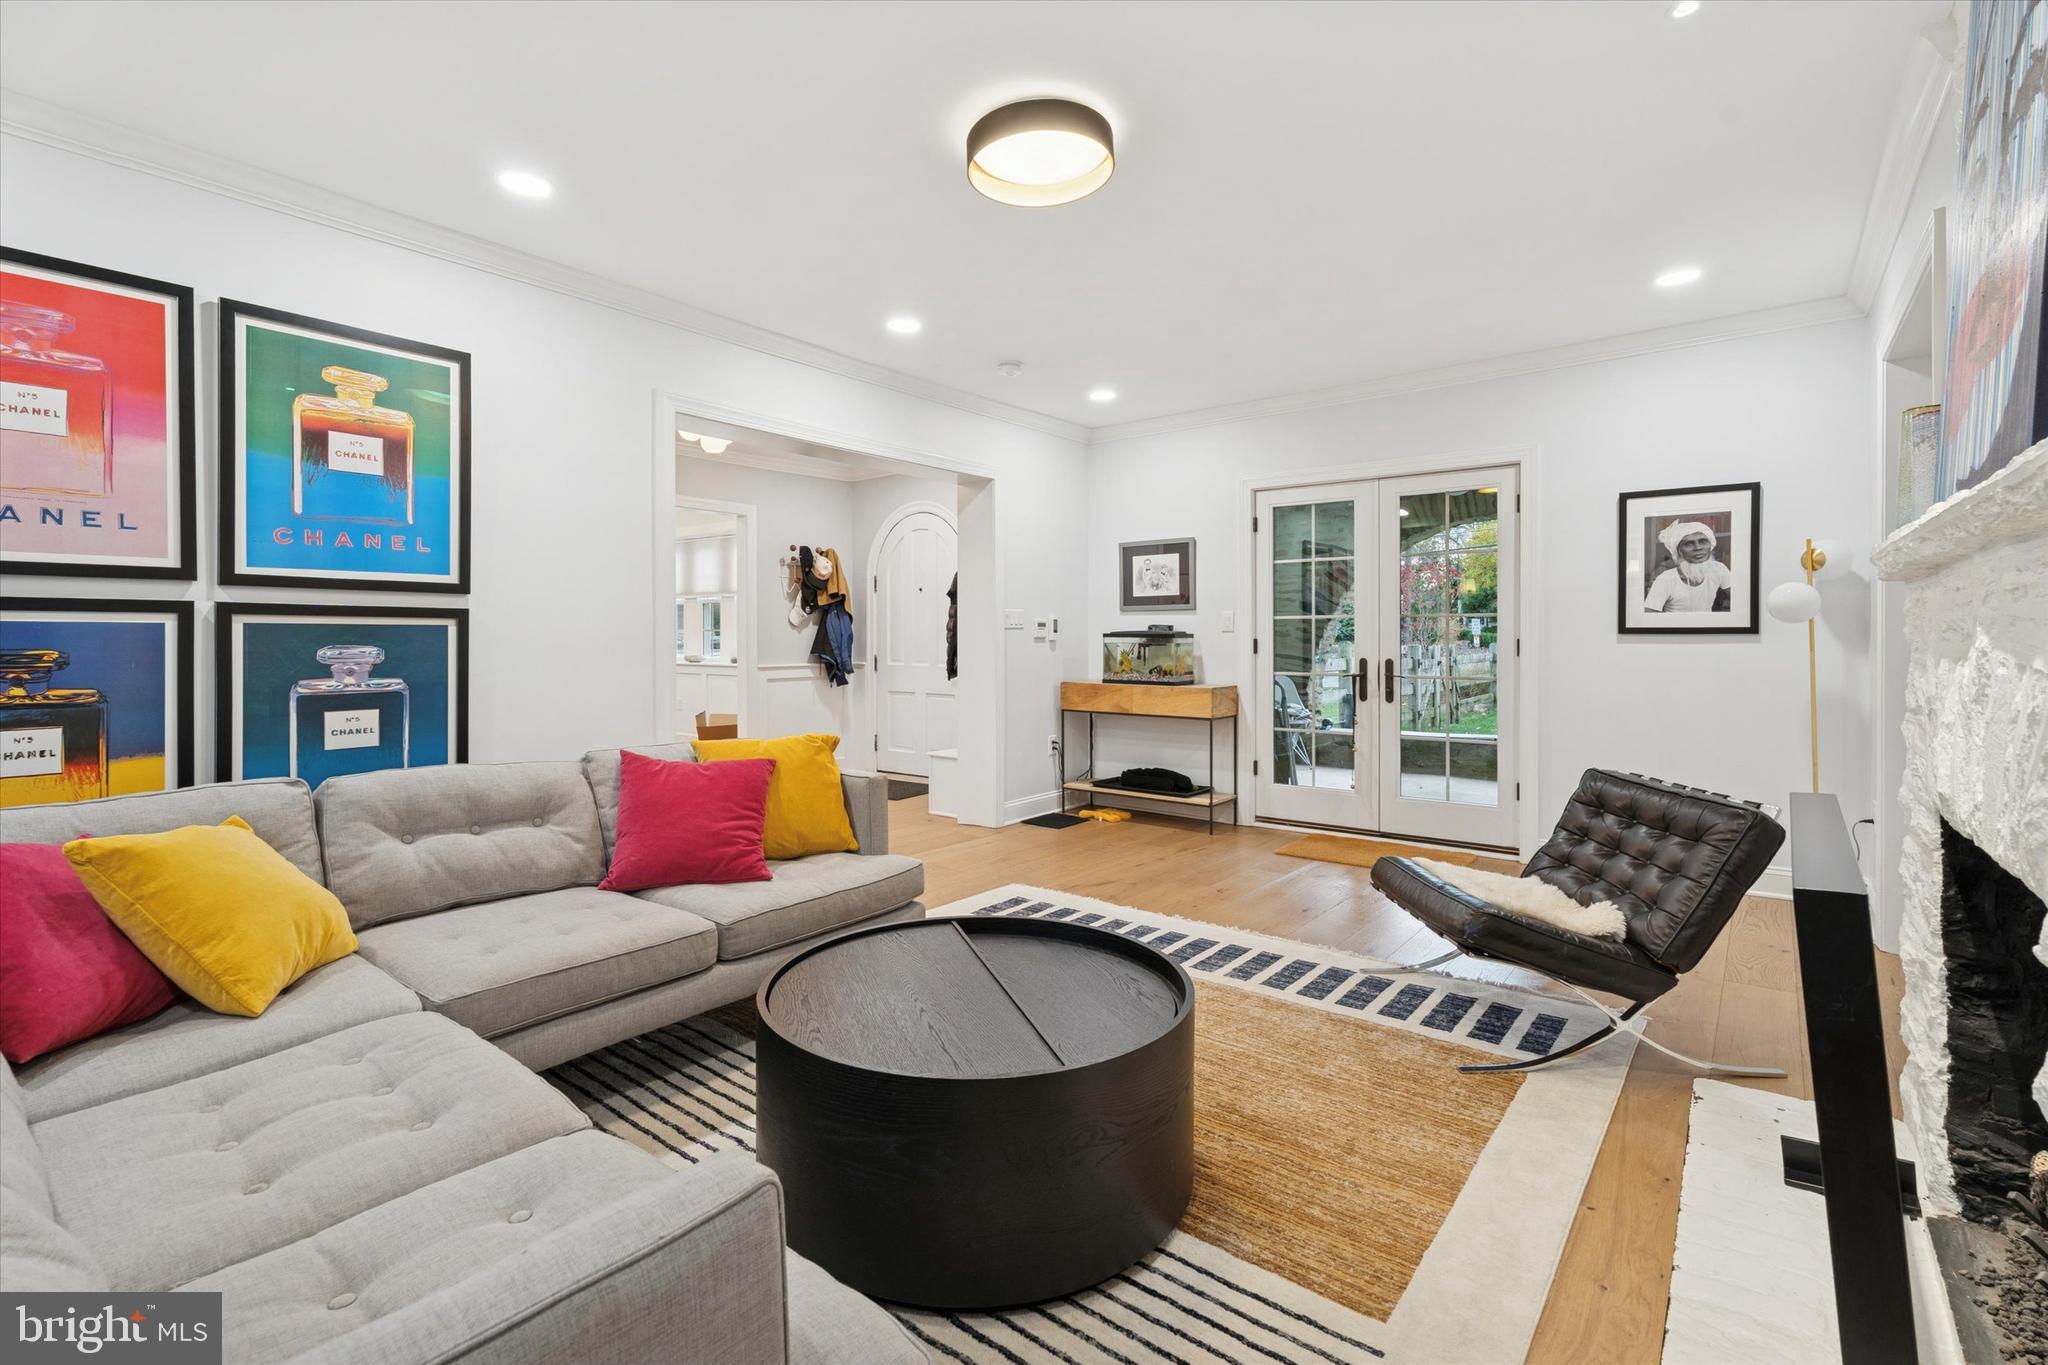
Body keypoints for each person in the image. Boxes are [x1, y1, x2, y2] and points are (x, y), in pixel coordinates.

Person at [1644, 520, 1731, 613]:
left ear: (1710, 545)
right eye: (1689, 543)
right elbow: (1650, 616)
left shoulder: (1718, 569)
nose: (1698, 548)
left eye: (1703, 541)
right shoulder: (1665, 579)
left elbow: (1740, 598)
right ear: (1679, 551)